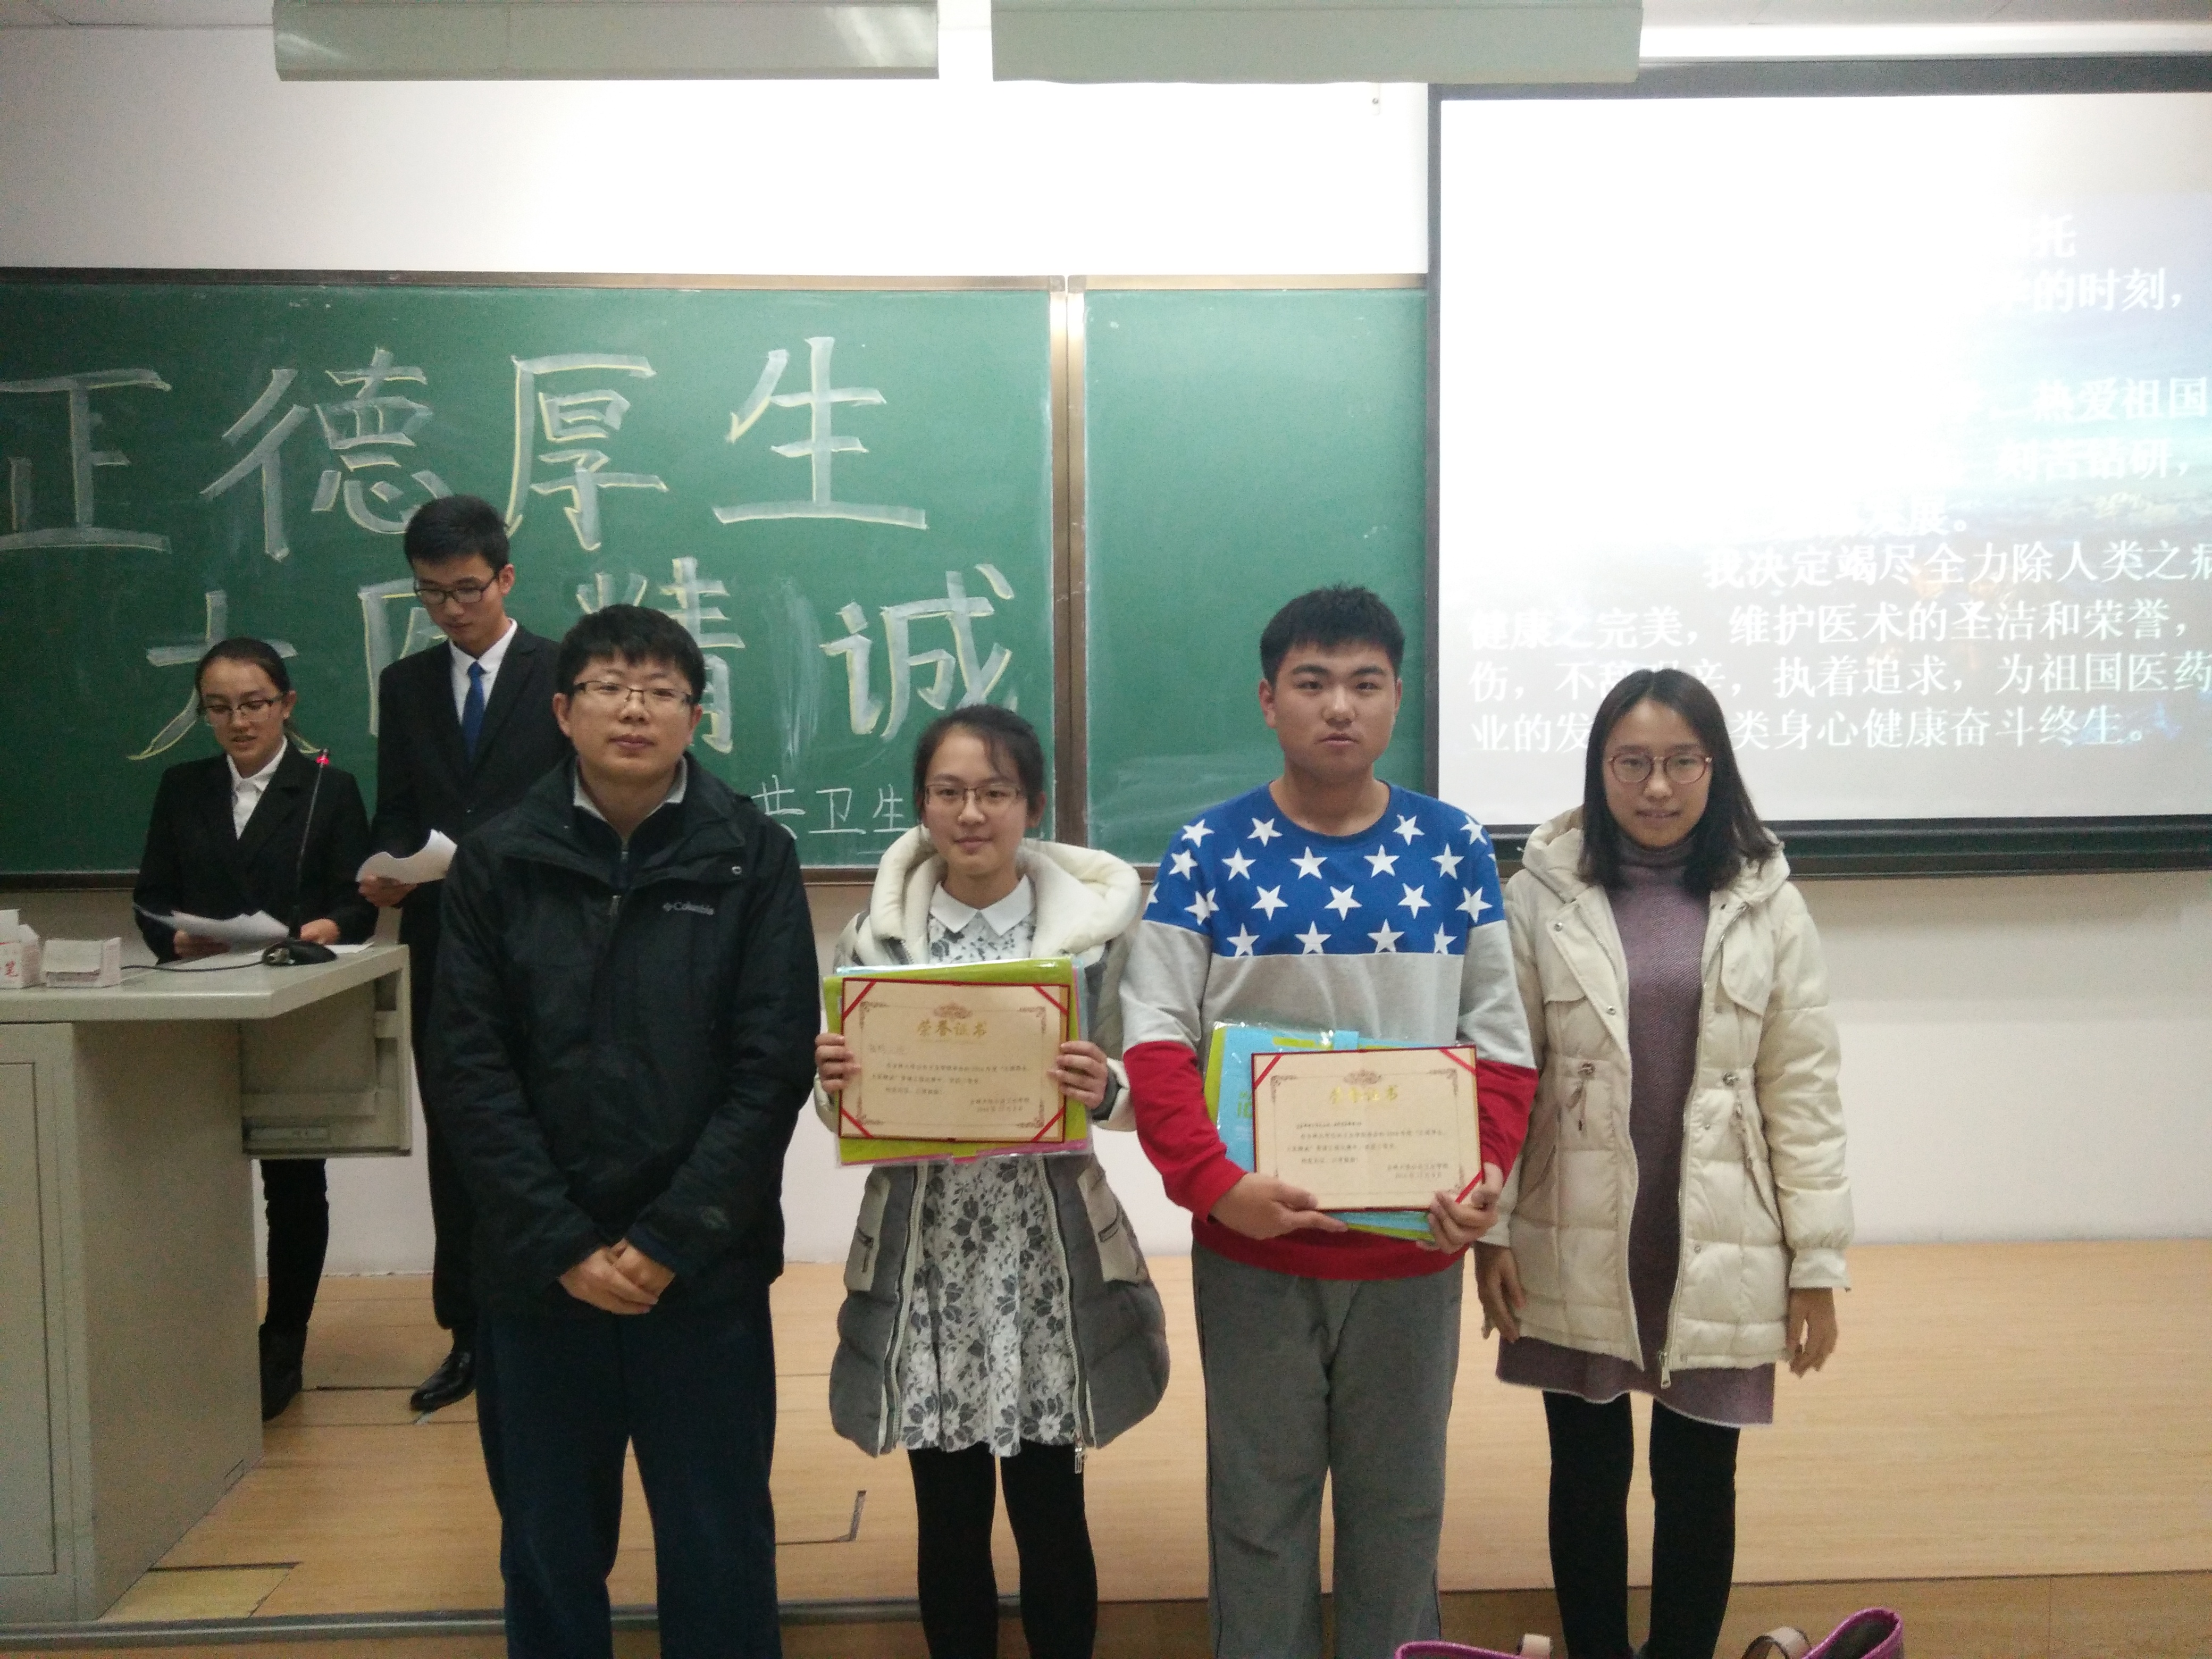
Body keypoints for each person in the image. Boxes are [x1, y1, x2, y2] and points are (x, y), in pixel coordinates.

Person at [1117, 585, 1538, 1659]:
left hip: (1411, 1250)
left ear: (1397, 697)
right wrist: (1218, 1188)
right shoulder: (1206, 850)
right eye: (1312, 683)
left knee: (1400, 1513)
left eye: (1364, 683)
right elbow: (1154, 1041)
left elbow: (1502, 1041)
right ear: (1269, 700)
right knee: (1257, 1514)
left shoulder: (1452, 846)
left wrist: (1483, 1179)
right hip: (1254, 1246)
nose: (1338, 707)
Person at [429, 605, 819, 1659]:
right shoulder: (498, 859)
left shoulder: (752, 855)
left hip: (701, 1273)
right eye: (609, 687)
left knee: (719, 1544)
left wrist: (668, 1240)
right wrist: (562, 1242)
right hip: (537, 1277)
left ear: (695, 715)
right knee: (549, 1549)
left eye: (660, 691)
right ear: (564, 711)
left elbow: (772, 1066)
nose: (634, 709)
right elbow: (466, 1068)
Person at [1476, 668, 1853, 1659]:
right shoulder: (1541, 895)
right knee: (1586, 1476)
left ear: (1714, 768)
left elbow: (1802, 1090)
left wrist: (1818, 1262)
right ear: (1598, 770)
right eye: (1631, 763)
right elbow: (1504, 1073)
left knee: (1699, 1482)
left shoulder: (1767, 901)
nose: (1656, 787)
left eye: (1682, 762)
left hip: (1719, 1231)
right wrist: (1494, 1227)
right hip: (1577, 1222)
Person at [814, 706, 1170, 1659]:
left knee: (1052, 1505)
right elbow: (839, 1111)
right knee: (948, 1510)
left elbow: (1146, 1085)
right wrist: (834, 1084)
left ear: (1033, 805)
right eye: (949, 792)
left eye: (996, 792)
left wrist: (1107, 1086)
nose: (972, 813)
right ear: (922, 805)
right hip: (926, 1259)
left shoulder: (1094, 939)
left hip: (1045, 1258)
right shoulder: (874, 939)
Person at [359, 493, 568, 1415]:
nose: (451, 609)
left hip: (549, 941)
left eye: (467, 590)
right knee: (459, 1140)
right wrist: (389, 868)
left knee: (557, 1128)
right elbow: (397, 810)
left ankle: (555, 1321)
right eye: (431, 594)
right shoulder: (404, 685)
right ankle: (469, 1334)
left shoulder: (565, 670)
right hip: (445, 944)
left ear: (505, 577)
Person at [132, 636, 376, 1419]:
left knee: (293, 1181)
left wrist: (324, 930)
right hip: (198, 1004)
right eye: (219, 708)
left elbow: (358, 902)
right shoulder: (183, 787)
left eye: (254, 704)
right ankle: (198, 1333)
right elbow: (150, 898)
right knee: (189, 1170)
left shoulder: (328, 789)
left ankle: (283, 1342)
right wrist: (175, 938)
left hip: (290, 1005)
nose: (238, 722)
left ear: (286, 705)